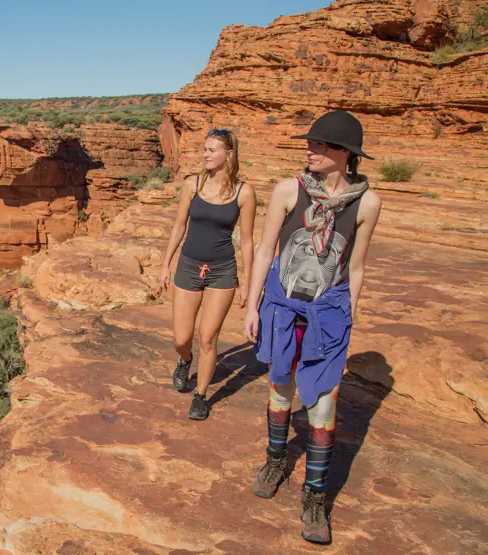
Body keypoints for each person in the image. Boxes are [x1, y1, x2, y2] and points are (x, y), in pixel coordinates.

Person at [243, 110, 382, 545]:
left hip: (329, 312)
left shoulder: (367, 203)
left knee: (322, 404)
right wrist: (251, 306)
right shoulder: (288, 190)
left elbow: (355, 266)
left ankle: (315, 497)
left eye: (320, 144)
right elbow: (265, 250)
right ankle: (275, 461)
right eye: (310, 143)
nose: (310, 150)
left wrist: (348, 317)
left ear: (345, 153)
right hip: (282, 307)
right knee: (281, 387)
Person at [159, 128, 256, 420]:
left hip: (222, 270)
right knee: (181, 338)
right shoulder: (193, 184)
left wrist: (248, 282)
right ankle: (185, 360)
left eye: (212, 150)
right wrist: (165, 264)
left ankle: (200, 396)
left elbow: (247, 241)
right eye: (205, 149)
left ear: (229, 154)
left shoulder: (244, 192)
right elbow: (179, 226)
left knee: (208, 338)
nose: (206, 154)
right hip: (189, 265)